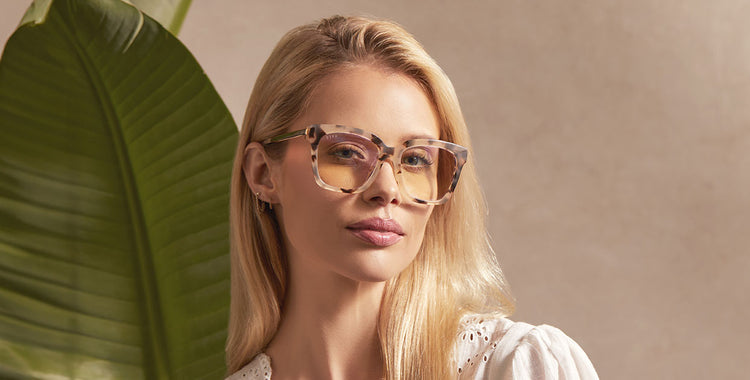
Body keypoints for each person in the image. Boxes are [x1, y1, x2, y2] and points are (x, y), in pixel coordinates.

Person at [225, 15, 598, 380]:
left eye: (417, 159)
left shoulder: (514, 366)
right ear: (262, 173)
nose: (387, 189)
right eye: (346, 152)